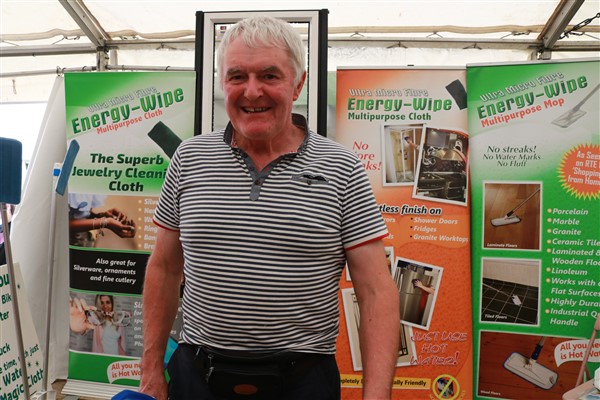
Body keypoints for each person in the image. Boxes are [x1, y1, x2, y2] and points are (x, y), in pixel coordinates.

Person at [140, 16, 400, 400]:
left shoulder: (342, 168)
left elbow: (376, 290)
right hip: (198, 376)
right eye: (237, 76)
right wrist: (150, 370)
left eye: (269, 75)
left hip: (303, 382)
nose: (252, 91)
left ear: (298, 83)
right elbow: (163, 268)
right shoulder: (190, 158)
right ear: (222, 83)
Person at [68, 193, 135, 247]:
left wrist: (101, 216)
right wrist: (105, 222)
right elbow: (63, 224)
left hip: (86, 244)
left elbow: (80, 215)